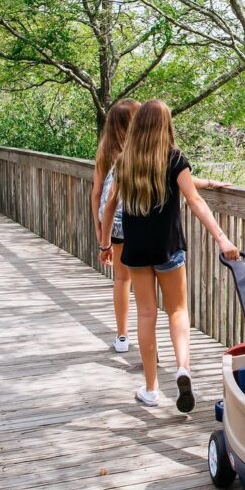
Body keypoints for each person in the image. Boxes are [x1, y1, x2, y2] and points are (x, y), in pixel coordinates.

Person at [99, 99, 240, 411]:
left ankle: (151, 389)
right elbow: (195, 200)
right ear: (166, 125)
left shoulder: (126, 161)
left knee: (147, 314)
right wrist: (222, 239)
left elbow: (109, 207)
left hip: (135, 250)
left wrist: (105, 244)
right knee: (177, 311)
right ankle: (182, 369)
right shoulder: (175, 158)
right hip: (169, 248)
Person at [92, 99, 142, 353]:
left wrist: (101, 232)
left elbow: (96, 194)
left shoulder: (105, 151)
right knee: (144, 280)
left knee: (121, 279)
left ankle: (122, 336)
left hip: (115, 226)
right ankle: (148, 336)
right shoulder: (141, 151)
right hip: (139, 221)